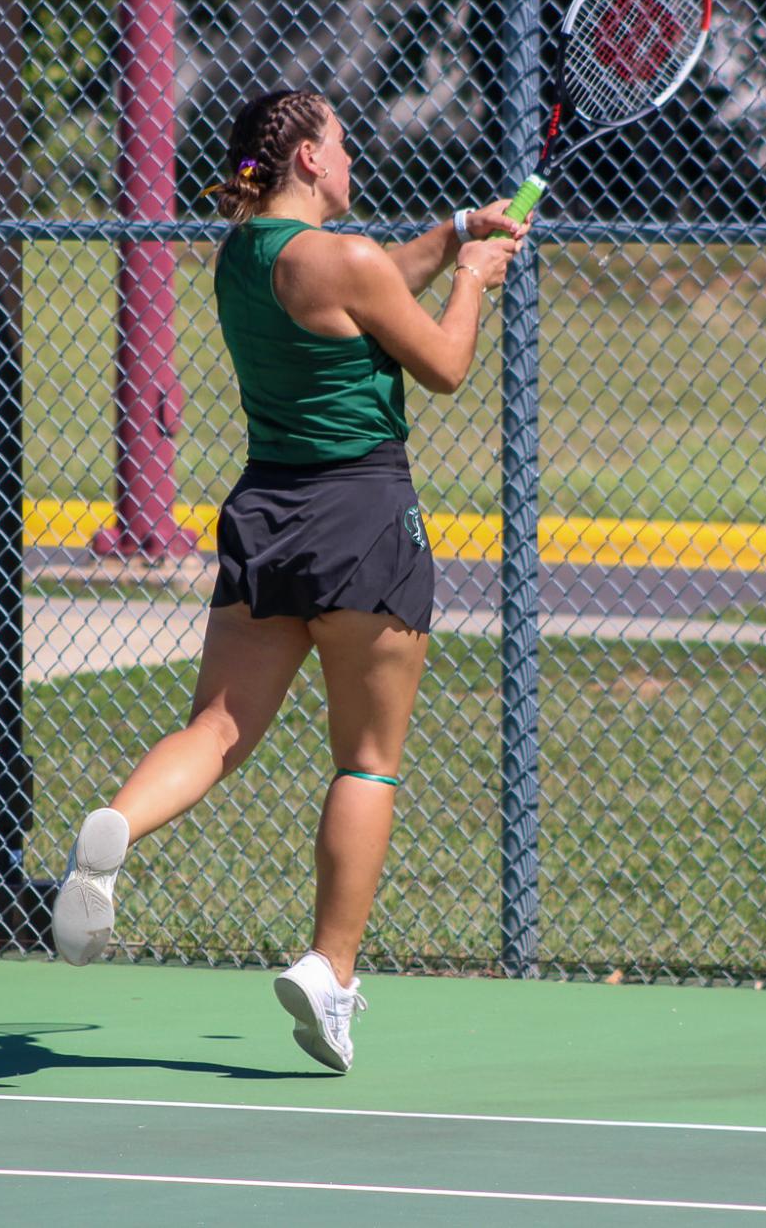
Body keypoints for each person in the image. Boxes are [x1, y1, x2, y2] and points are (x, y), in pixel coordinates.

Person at [50, 88, 526, 1073]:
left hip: (266, 513)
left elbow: (366, 286)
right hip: (363, 520)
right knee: (365, 760)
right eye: (342, 144)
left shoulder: (242, 257)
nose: (352, 160)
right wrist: (475, 276)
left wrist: (452, 232)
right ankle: (330, 969)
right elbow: (440, 362)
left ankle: (117, 826)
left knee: (216, 731)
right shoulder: (342, 257)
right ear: (309, 158)